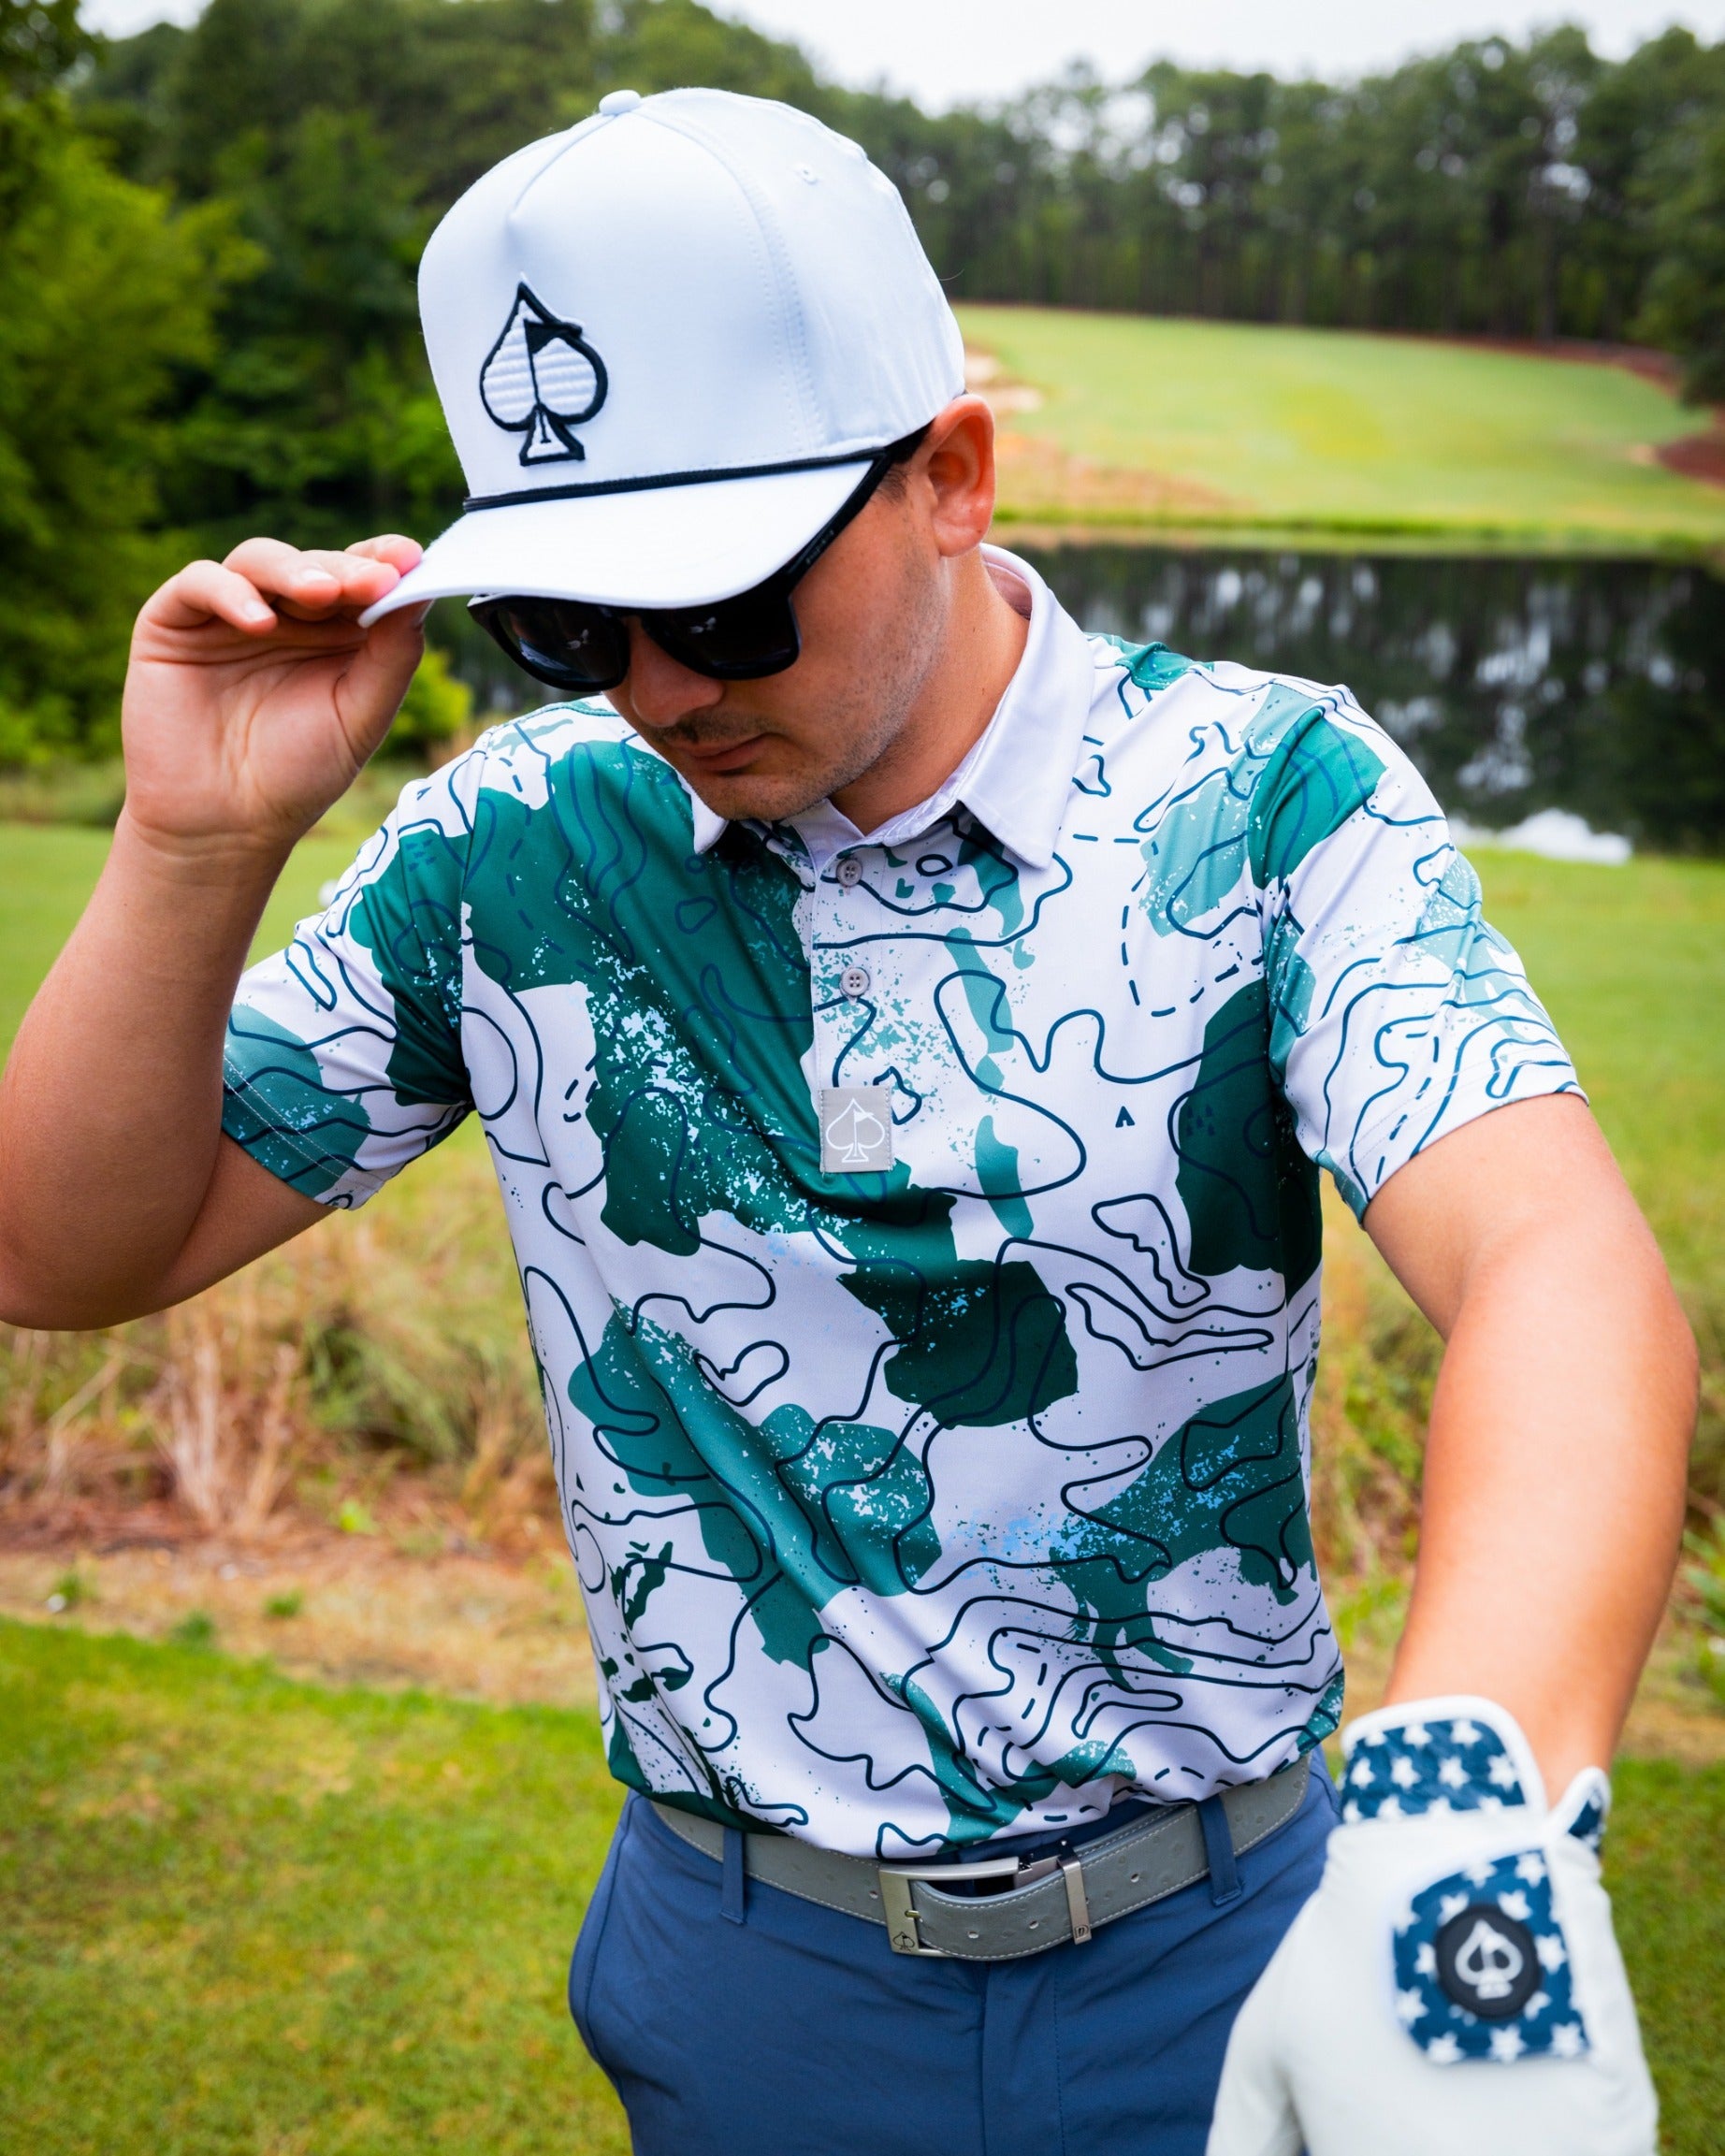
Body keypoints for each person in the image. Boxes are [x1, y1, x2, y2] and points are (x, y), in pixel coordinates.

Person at [0, 87, 1695, 2156]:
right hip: (747, 1976)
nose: (656, 688)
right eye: (568, 625)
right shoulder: (511, 843)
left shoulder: (1261, 802)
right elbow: (62, 1250)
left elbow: (1553, 1266)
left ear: (951, 474)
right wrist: (190, 845)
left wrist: (1456, 1829)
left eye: (724, 603)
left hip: (1222, 1939)